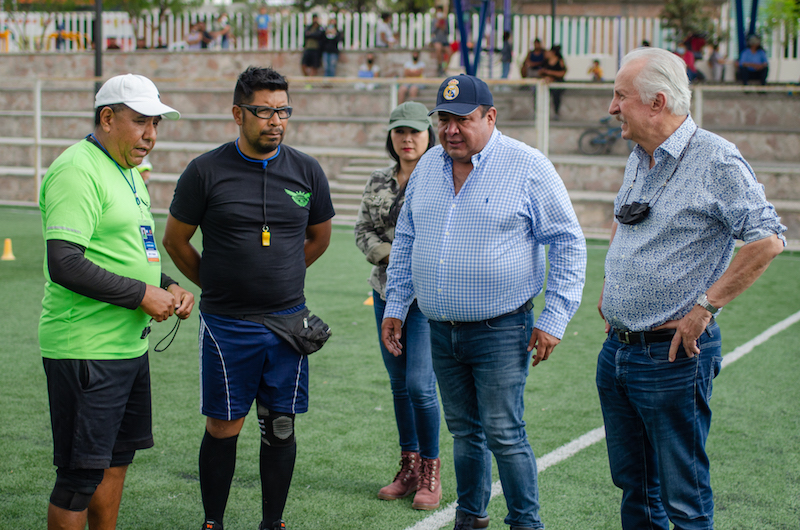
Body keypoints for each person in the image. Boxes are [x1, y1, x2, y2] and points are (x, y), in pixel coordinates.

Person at [381, 74, 586, 530]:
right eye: (444, 120)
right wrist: (396, 305)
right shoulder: (431, 165)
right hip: (440, 329)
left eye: (463, 120)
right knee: (464, 433)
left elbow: (569, 242)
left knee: (504, 433)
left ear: (490, 117)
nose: (451, 130)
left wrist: (554, 318)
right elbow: (408, 238)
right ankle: (470, 518)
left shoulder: (528, 165)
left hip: (501, 329)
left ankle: (525, 523)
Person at [597, 47, 786, 530]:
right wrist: (612, 284)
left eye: (620, 96)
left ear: (657, 102)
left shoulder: (716, 158)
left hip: (672, 355)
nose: (612, 107)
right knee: (634, 486)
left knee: (683, 495)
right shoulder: (640, 154)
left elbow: (767, 240)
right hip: (618, 349)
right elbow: (626, 220)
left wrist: (705, 307)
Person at [162, 66, 335, 530]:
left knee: (281, 427)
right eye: (264, 111)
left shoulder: (306, 170)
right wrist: (217, 284)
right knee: (223, 426)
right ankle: (213, 522)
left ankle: (271, 523)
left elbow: (319, 237)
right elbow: (176, 241)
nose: (275, 120)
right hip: (227, 325)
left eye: (283, 111)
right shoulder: (205, 171)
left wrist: (281, 276)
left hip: (287, 324)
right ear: (238, 114)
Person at [39, 73, 194, 530]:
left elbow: (130, 254)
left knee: (114, 462)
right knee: (79, 476)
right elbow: (64, 262)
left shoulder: (127, 173)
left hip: (127, 348)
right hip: (85, 347)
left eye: (156, 123)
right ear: (107, 118)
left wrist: (166, 284)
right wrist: (139, 294)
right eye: (141, 121)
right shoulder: (77, 169)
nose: (150, 134)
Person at [355, 102, 442, 511]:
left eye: (415, 132)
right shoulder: (378, 181)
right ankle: (407, 468)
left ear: (430, 134)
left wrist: (407, 258)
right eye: (399, 132)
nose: (407, 139)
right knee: (397, 383)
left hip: (425, 299)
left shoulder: (443, 177)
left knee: (420, 385)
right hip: (387, 293)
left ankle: (429, 472)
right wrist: (391, 256)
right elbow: (362, 230)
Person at [540, 45, 567, 120]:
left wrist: (551, 73)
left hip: (557, 83)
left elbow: (562, 73)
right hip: (547, 83)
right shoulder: (546, 61)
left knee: (556, 94)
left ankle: (556, 112)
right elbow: (541, 72)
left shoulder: (559, 61)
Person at [431, 6, 450, 75]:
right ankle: (439, 65)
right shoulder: (434, 21)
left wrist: (443, 27)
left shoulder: (445, 21)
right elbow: (432, 31)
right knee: (438, 49)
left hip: (444, 41)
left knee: (449, 52)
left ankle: (444, 68)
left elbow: (448, 32)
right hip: (437, 40)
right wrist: (436, 26)